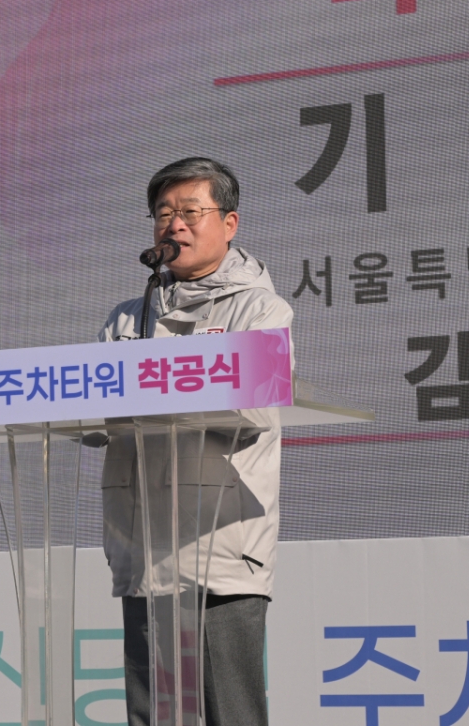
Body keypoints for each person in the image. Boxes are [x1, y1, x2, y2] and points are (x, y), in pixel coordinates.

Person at [97, 157, 291, 726]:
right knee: (152, 716)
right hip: (145, 552)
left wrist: (159, 379)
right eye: (163, 214)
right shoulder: (125, 320)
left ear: (229, 224)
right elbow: (91, 419)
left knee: (231, 714)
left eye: (189, 212)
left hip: (221, 552)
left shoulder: (260, 308)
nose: (174, 225)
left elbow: (253, 407)